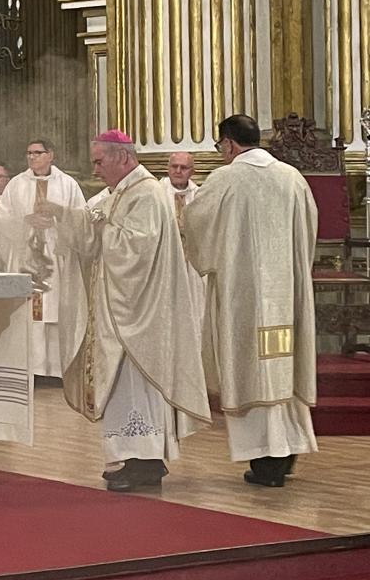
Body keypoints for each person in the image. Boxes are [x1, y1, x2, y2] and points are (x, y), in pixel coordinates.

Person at [60, 132, 210, 492]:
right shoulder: (123, 192)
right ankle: (135, 458)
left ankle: (143, 463)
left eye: (100, 161)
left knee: (136, 387)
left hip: (139, 314)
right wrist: (65, 220)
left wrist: (94, 226)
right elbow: (97, 229)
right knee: (126, 389)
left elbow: (134, 249)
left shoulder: (144, 193)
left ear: (123, 158)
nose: (95, 170)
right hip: (124, 310)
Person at [183, 114, 319, 488]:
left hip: (243, 298)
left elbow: (196, 224)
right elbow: (308, 231)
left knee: (251, 372)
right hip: (284, 296)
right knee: (281, 372)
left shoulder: (225, 179)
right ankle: (286, 451)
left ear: (228, 144)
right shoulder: (292, 178)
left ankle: (265, 461)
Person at [0, 138, 87, 378]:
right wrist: (25, 221)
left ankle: (57, 370)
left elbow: (80, 221)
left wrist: (56, 222)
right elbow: (2, 221)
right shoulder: (16, 184)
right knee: (27, 315)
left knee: (55, 312)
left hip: (56, 258)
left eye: (37, 153)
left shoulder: (68, 185)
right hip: (27, 257)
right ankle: (29, 370)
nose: (32, 157)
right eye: (29, 153)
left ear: (50, 155)